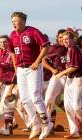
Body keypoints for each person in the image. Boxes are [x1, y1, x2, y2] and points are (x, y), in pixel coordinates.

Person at [7, 11, 52, 139]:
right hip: (20, 69)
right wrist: (16, 70)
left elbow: (46, 46)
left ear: (23, 21)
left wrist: (37, 62)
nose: (14, 23)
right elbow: (13, 54)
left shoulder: (33, 31)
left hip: (33, 68)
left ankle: (46, 124)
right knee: (25, 100)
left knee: (35, 97)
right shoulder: (12, 35)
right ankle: (36, 125)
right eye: (13, 21)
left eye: (16, 21)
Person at [55, 31, 82, 139]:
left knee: (77, 106)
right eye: (63, 39)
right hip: (70, 79)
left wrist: (61, 73)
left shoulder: (74, 49)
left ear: (73, 40)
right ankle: (74, 131)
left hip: (78, 79)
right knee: (67, 106)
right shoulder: (69, 50)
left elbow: (75, 67)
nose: (65, 41)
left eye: (67, 39)